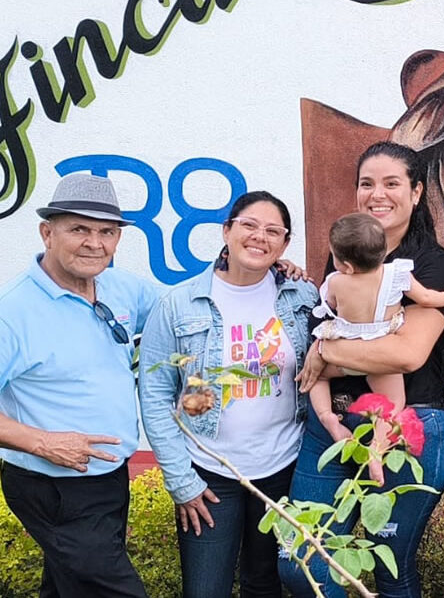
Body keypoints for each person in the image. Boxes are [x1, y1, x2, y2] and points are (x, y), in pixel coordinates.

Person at [285, 142, 444, 598]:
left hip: (409, 425)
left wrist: (326, 352)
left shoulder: (430, 264)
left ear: (417, 191)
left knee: (391, 569)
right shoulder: (345, 254)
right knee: (301, 560)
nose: (377, 194)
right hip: (330, 425)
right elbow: (325, 312)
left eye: (392, 183)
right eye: (367, 183)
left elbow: (406, 356)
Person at [0, 173, 160, 597]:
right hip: (52, 485)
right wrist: (42, 442)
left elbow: (184, 311)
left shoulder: (121, 286)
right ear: (47, 233)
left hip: (106, 476)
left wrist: (260, 267)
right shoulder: (6, 314)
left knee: (68, 588)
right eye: (79, 229)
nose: (95, 243)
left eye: (107, 231)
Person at [138, 191, 318, 598]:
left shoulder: (302, 297)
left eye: (274, 231)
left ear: (285, 244)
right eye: (249, 226)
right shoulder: (179, 303)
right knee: (205, 590)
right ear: (226, 231)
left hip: (283, 467)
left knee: (265, 584)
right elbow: (155, 394)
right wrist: (181, 480)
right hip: (209, 471)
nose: (260, 237)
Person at [308, 212, 444, 473]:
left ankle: (329, 420)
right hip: (381, 353)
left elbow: (330, 307)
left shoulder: (336, 282)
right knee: (393, 402)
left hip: (344, 346)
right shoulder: (398, 274)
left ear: (347, 265)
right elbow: (425, 298)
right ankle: (376, 450)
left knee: (317, 378)